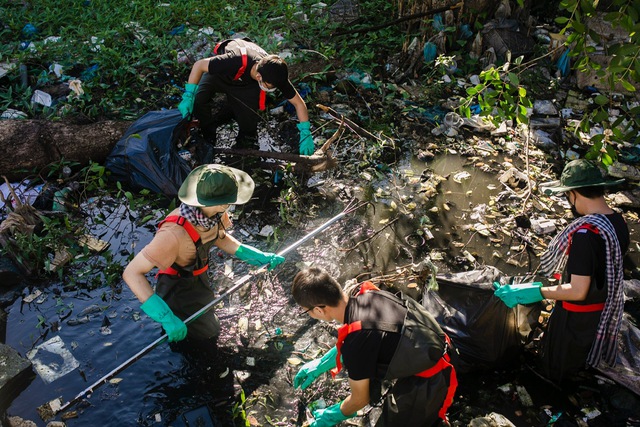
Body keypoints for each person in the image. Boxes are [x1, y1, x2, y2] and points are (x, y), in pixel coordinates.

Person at [494, 159, 629, 383]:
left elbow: (578, 291)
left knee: (558, 366)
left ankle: (557, 388)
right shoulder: (616, 222)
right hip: (602, 312)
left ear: (573, 193)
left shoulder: (586, 234)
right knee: (581, 358)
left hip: (577, 318)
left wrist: (538, 291)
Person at [122, 164, 285, 348]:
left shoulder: (215, 214)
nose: (231, 205)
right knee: (204, 336)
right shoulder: (172, 234)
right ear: (220, 202)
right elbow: (132, 273)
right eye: (230, 200)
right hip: (177, 290)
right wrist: (165, 317)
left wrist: (256, 256)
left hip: (199, 278)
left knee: (208, 324)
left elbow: (221, 239)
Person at [291, 267, 457, 427]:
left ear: (319, 310)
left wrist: (332, 415)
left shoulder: (355, 343)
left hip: (433, 379)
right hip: (432, 344)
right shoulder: (365, 294)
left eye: (307, 311)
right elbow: (362, 339)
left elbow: (360, 399)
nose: (311, 315)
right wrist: (322, 363)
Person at [177, 37, 315, 155]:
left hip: (247, 86)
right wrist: (188, 95)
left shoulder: (275, 72)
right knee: (199, 100)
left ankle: (244, 147)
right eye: (270, 86)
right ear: (259, 76)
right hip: (222, 76)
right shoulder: (233, 60)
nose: (272, 89)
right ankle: (208, 135)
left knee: (248, 126)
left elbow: (299, 103)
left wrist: (305, 132)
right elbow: (199, 65)